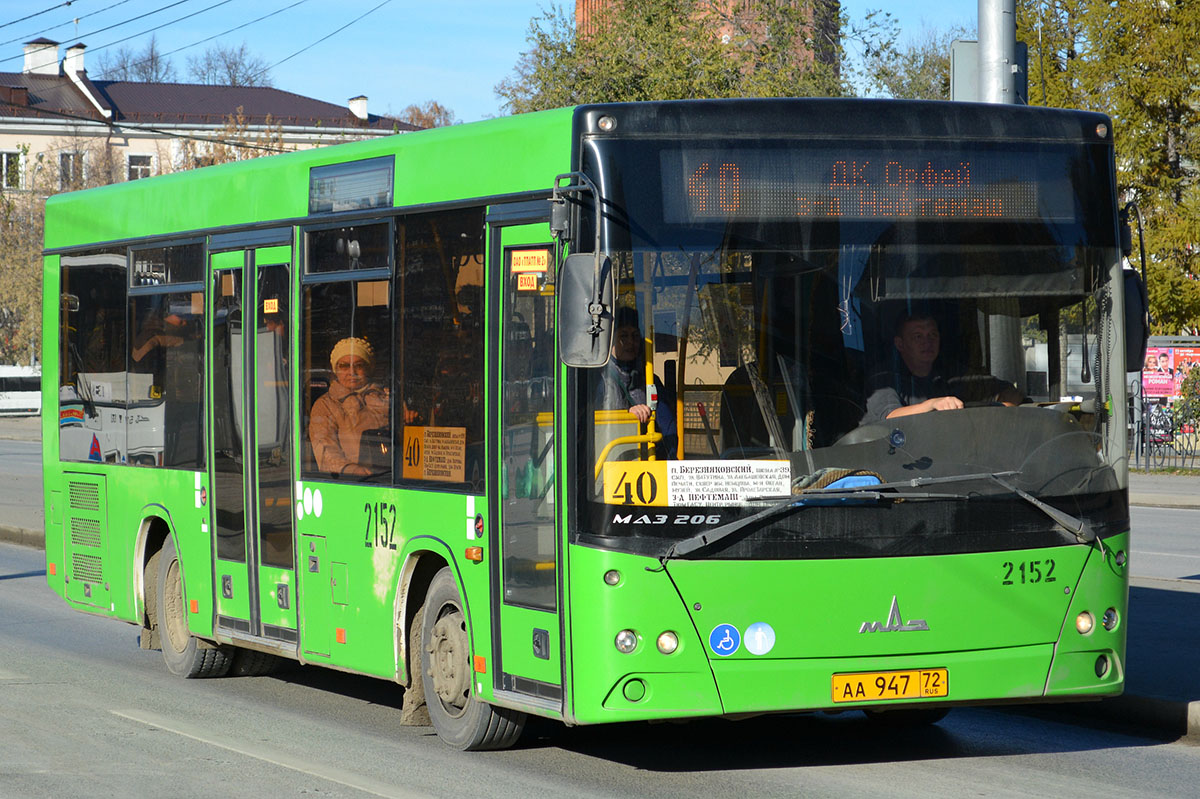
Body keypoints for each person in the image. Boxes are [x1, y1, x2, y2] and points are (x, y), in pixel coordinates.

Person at [863, 313, 1023, 423]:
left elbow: (1008, 392)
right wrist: (932, 405)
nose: (927, 342)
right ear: (900, 344)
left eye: (932, 335)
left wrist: (1004, 408)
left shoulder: (950, 373)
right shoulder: (884, 378)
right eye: (918, 336)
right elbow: (890, 418)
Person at [596, 307, 677, 458]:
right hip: (611, 461)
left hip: (648, 460)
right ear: (610, 340)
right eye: (623, 336)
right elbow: (593, 426)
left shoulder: (650, 379)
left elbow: (668, 428)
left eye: (635, 336)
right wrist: (626, 416)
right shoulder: (597, 380)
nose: (630, 342)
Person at [309, 336, 390, 477]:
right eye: (344, 366)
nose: (352, 372)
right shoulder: (326, 405)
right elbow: (324, 447)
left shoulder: (387, 396)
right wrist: (349, 469)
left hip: (392, 476)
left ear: (369, 368)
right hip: (356, 481)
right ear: (336, 369)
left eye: (359, 365)